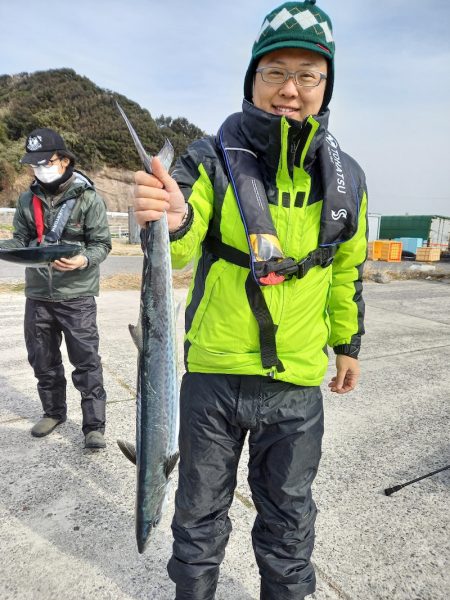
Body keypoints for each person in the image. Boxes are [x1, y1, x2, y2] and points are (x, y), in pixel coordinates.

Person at [133, 1, 367, 597]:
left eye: (308, 75)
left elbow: (346, 270)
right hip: (214, 376)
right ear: (253, 80)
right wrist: (174, 218)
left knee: (290, 530)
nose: (290, 89)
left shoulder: (348, 180)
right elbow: (181, 247)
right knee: (196, 525)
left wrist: (347, 344)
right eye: (275, 72)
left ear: (325, 85)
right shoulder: (208, 158)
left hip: (294, 386)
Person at [0, 127, 111, 449]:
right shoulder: (27, 199)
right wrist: (11, 249)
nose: (39, 169)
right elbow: (20, 239)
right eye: (34, 164)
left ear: (63, 160)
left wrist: (82, 261)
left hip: (76, 296)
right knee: (42, 360)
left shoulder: (88, 198)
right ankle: (53, 413)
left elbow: (101, 244)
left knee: (86, 362)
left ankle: (94, 426)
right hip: (37, 296)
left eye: (45, 162)